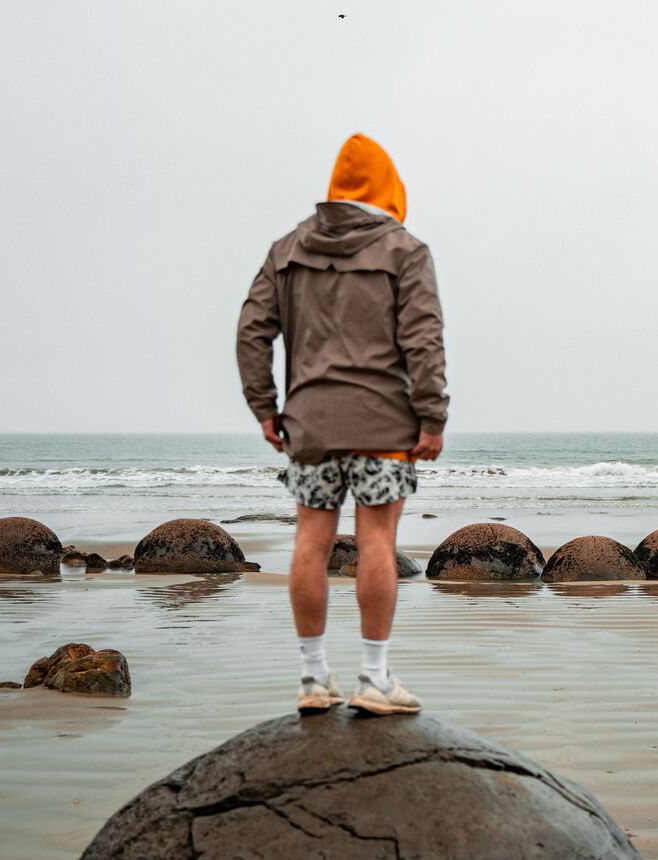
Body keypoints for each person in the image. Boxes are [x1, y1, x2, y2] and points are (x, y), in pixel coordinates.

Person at [237, 133, 448, 716]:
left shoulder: (286, 249)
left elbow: (251, 332)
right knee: (377, 540)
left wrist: (265, 407)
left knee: (310, 540)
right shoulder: (405, 250)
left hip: (308, 425)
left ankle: (312, 680)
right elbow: (423, 339)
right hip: (383, 425)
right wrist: (431, 415)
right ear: (387, 189)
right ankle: (375, 680)